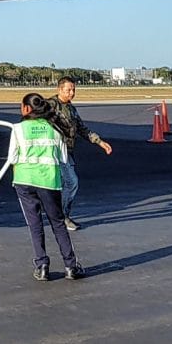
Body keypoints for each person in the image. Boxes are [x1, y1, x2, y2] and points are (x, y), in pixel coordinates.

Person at [9, 92, 83, 281]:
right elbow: (64, 159)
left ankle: (41, 265)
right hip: (49, 181)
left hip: (24, 180)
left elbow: (12, 158)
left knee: (34, 224)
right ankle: (71, 266)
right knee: (58, 223)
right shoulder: (55, 130)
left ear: (26, 109)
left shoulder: (17, 129)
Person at [46, 77, 113, 231]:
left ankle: (61, 215)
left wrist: (100, 142)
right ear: (59, 89)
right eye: (68, 90)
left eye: (74, 90)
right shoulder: (50, 105)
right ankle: (61, 216)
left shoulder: (71, 108)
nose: (72, 93)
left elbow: (82, 128)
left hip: (67, 152)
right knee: (71, 182)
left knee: (65, 185)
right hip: (53, 151)